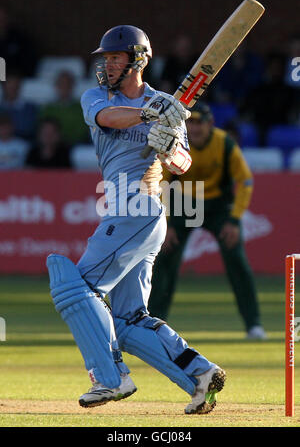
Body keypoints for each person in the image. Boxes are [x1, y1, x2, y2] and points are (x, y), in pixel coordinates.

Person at [46, 25, 226, 415]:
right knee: (127, 320)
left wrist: (168, 151)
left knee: (75, 289)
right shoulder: (98, 97)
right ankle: (198, 374)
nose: (107, 65)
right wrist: (150, 113)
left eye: (115, 58)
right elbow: (108, 118)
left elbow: (182, 162)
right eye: (105, 59)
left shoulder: (167, 103)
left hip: (140, 208)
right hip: (129, 213)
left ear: (137, 60)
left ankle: (109, 378)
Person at [148, 102, 266, 340]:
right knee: (165, 261)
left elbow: (245, 181)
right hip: (185, 204)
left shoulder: (224, 144)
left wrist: (234, 220)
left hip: (219, 206)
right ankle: (153, 325)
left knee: (236, 260)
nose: (195, 128)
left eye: (200, 122)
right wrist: (167, 224)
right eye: (190, 122)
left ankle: (254, 324)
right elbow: (162, 183)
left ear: (210, 124)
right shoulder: (178, 144)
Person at [39, 71, 89, 145]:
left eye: (67, 84)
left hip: (72, 146)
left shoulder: (81, 108)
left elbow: (82, 132)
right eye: (61, 84)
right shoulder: (48, 109)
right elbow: (42, 130)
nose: (64, 87)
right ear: (56, 86)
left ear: (72, 86)